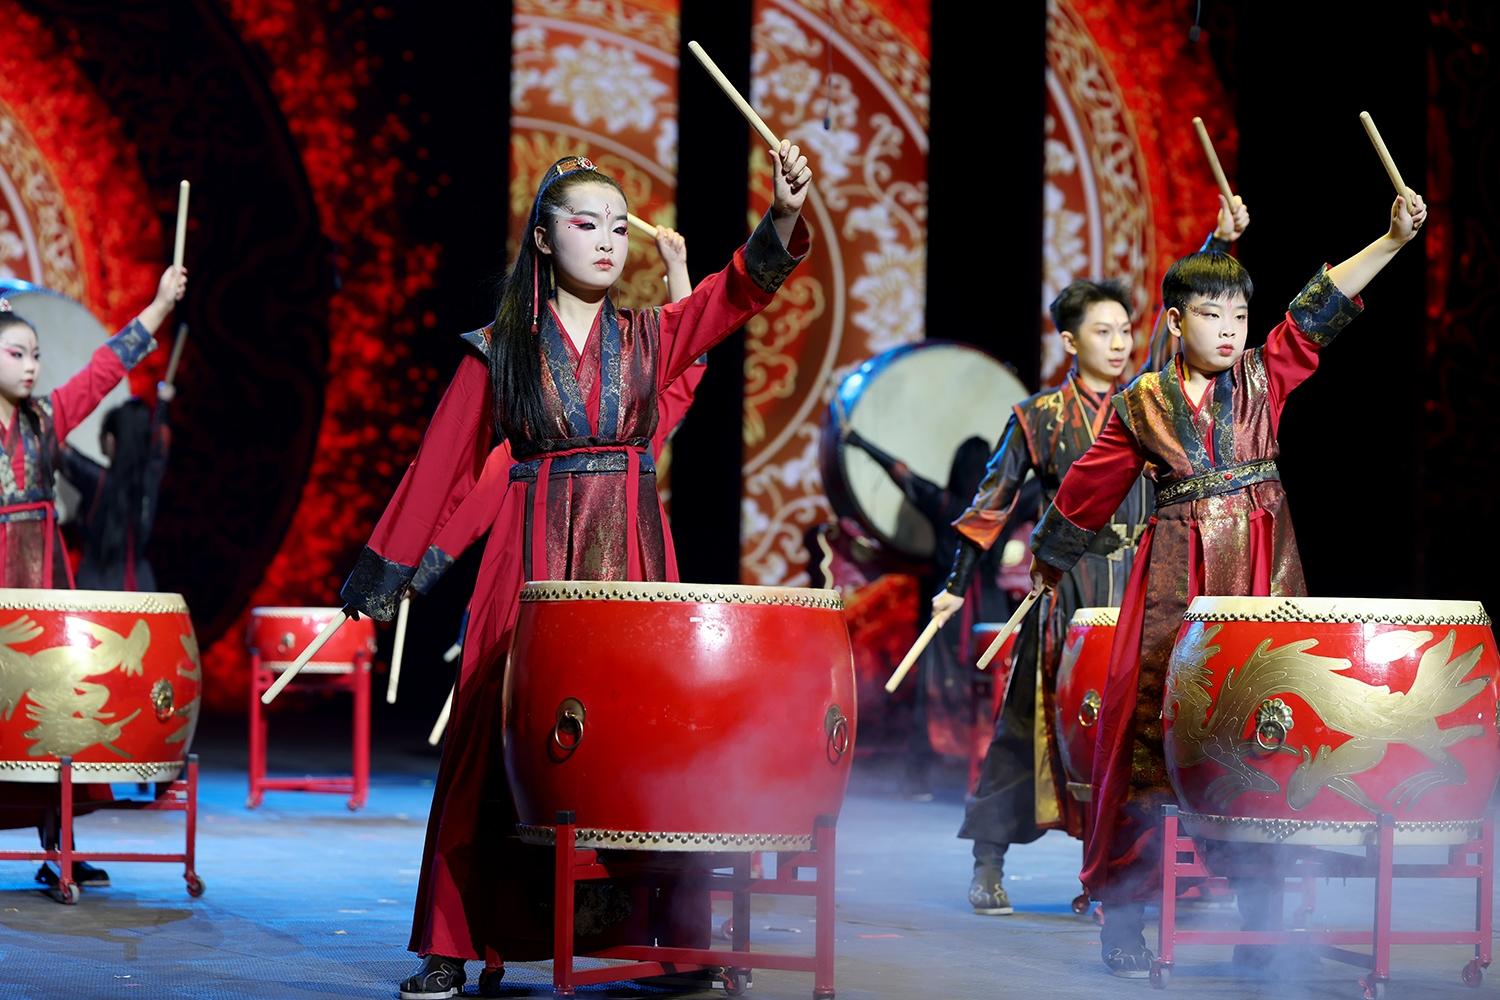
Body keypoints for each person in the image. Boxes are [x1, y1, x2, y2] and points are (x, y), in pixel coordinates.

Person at [337, 148, 812, 1000]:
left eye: (619, 228)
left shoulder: (649, 336)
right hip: (528, 554)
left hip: (633, 555)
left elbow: (733, 294)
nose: (606, 241)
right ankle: (451, 944)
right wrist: (386, 574)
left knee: (647, 742)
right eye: (586, 224)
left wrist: (780, 215)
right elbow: (439, 466)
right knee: (494, 730)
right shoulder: (499, 350)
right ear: (543, 238)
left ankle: (676, 943)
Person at [1028, 190, 1426, 976]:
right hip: (1172, 581)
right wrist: (1048, 564)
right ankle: (1127, 915)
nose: (1230, 330)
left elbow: (1318, 309)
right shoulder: (1143, 402)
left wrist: (1388, 240)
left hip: (1261, 575)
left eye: (1240, 316)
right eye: (1212, 316)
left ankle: (1261, 924)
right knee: (1150, 735)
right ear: (1176, 322)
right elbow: (1086, 489)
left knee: (1264, 736)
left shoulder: (1262, 378)